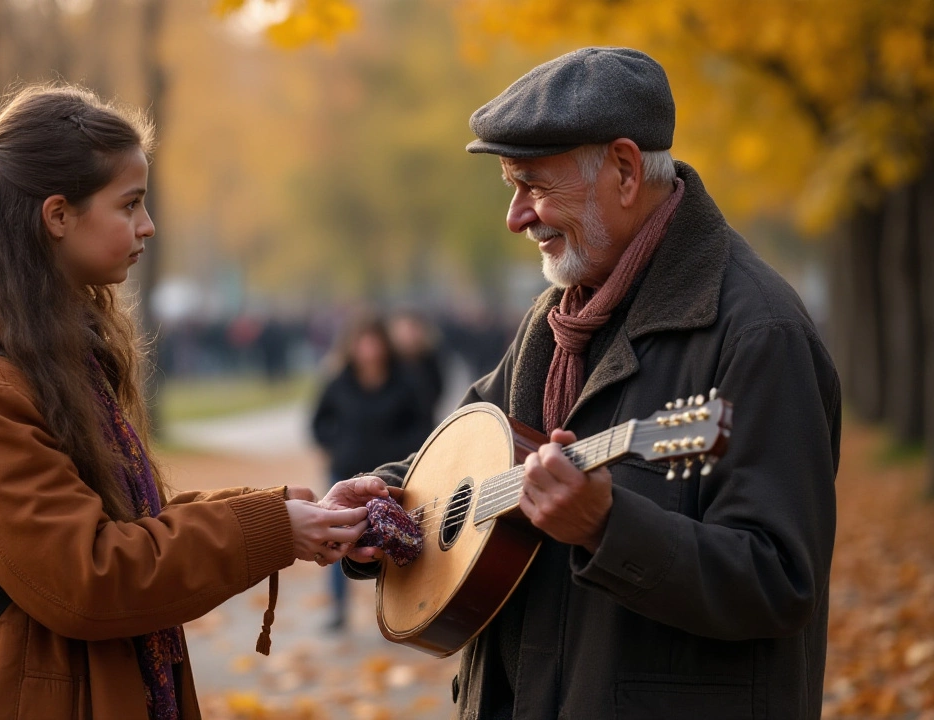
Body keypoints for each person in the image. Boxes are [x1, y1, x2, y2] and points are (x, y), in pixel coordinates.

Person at [0, 83, 386, 720]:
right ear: (57, 215)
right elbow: (90, 575)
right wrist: (273, 531)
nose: (147, 226)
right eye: (129, 204)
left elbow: (122, 525)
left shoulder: (40, 357)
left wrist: (290, 512)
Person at [345, 47, 840, 719]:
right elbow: (474, 446)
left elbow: (781, 581)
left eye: (534, 185)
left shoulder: (759, 333)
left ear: (627, 172)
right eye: (511, 189)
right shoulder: (558, 316)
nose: (517, 217)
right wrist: (385, 499)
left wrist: (608, 527)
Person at [311, 314, 431, 631]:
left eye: (374, 341)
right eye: (362, 342)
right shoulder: (338, 381)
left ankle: (395, 611)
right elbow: (318, 422)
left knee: (391, 546)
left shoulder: (405, 380)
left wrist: (402, 451)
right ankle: (338, 608)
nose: (368, 349)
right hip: (346, 473)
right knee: (338, 539)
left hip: (390, 481)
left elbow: (423, 422)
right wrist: (335, 445)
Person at [387, 308, 446, 433]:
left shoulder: (430, 359)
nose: (409, 335)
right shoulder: (388, 362)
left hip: (424, 429)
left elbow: (437, 390)